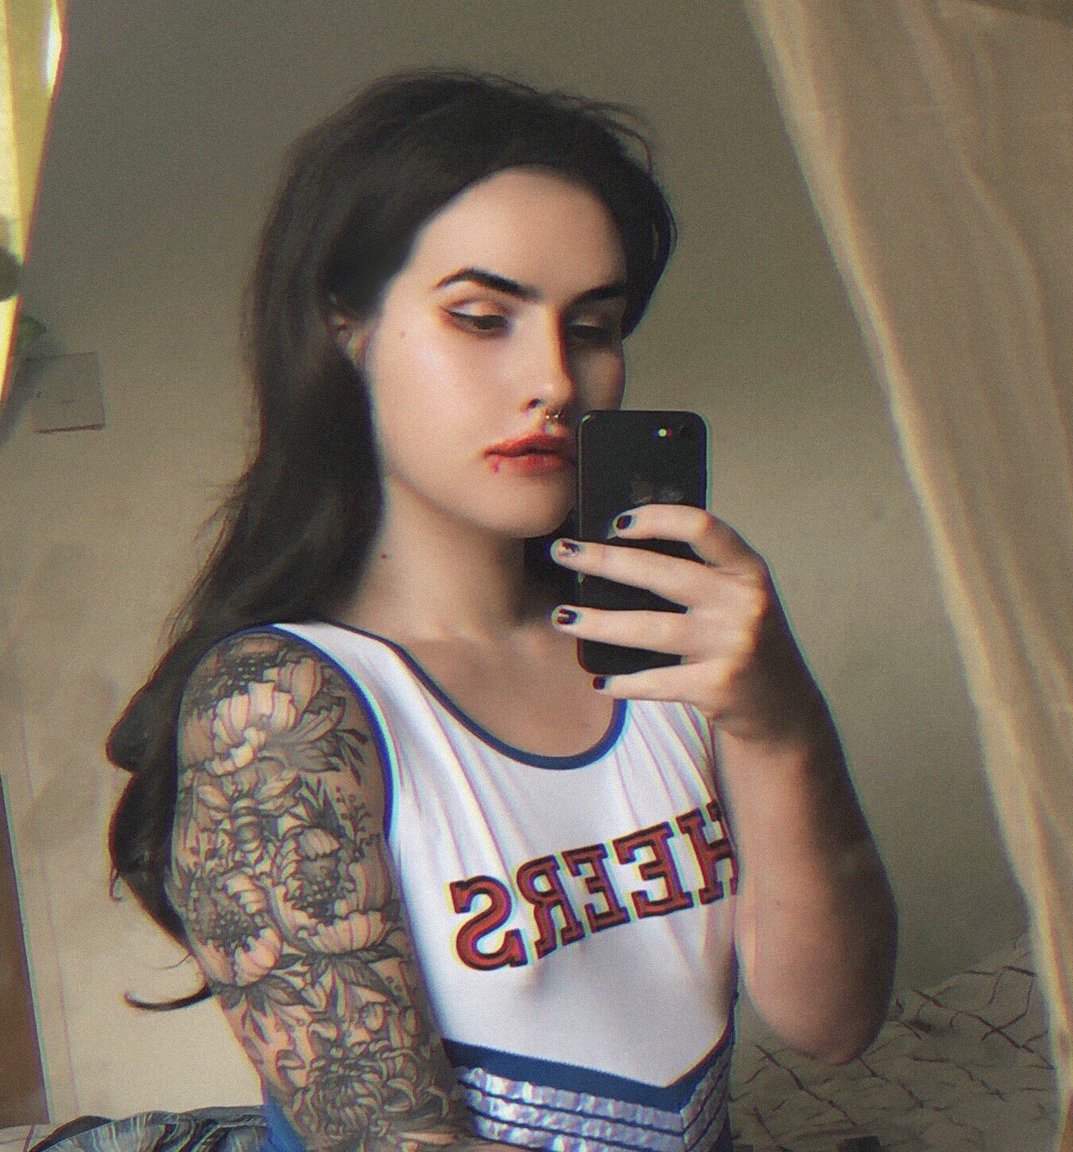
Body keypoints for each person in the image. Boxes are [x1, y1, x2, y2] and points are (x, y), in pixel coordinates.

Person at [107, 70, 897, 1152]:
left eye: (595, 326)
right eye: (482, 318)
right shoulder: (282, 704)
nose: (554, 381)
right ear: (345, 327)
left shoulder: (662, 643)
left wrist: (782, 721)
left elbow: (832, 1023)